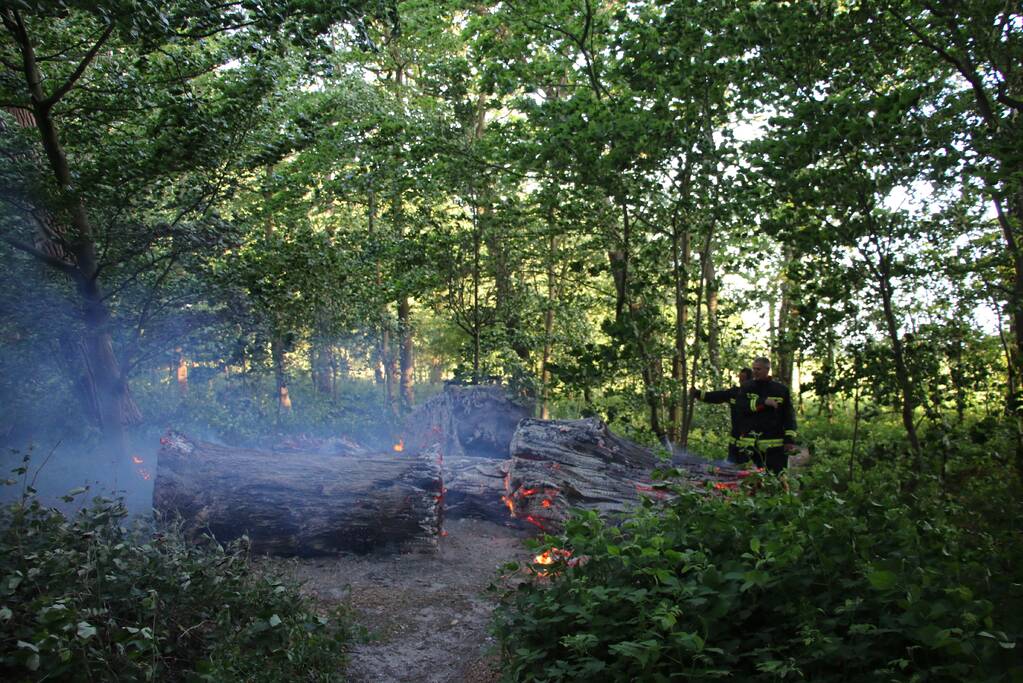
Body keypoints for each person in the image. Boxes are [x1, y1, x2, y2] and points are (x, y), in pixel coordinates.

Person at [735, 356, 798, 473]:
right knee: (752, 481)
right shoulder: (747, 387)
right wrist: (762, 402)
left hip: (775, 446)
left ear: (767, 370)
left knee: (777, 479)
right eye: (754, 369)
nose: (755, 372)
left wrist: (789, 440)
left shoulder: (780, 390)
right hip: (751, 446)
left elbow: (789, 416)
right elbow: (741, 406)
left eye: (758, 369)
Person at [690, 367, 753, 463]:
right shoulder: (734, 393)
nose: (741, 381)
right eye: (740, 379)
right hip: (734, 440)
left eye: (743, 379)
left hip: (750, 443)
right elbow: (717, 396)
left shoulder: (756, 395)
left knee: (746, 470)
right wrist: (697, 394)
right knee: (730, 468)